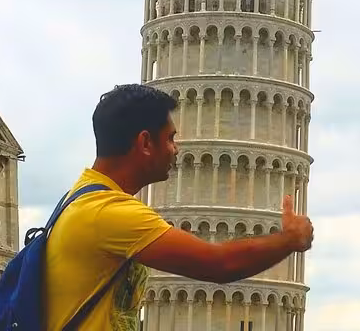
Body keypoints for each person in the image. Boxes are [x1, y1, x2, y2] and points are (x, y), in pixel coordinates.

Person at [44, 84, 314, 330]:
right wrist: (290, 239)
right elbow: (219, 264)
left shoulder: (82, 197)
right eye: (171, 138)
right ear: (145, 143)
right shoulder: (109, 212)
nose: (176, 149)